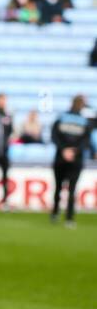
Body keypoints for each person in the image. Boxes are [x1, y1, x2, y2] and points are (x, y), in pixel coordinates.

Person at [51, 96, 90, 227]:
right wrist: (75, 151)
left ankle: (55, 213)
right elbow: (86, 141)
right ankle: (69, 218)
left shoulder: (61, 117)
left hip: (60, 157)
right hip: (75, 159)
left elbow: (54, 136)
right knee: (72, 189)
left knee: (58, 187)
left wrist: (63, 150)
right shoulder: (84, 121)